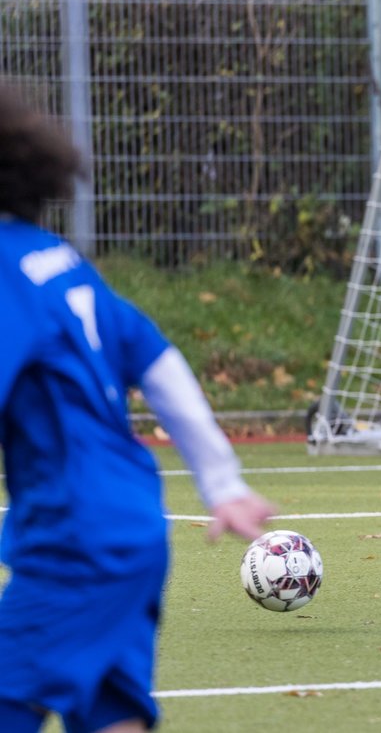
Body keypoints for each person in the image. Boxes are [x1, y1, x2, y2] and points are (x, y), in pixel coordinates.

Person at [0, 85, 275, 732]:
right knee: (111, 713)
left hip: (76, 541)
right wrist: (221, 481)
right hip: (133, 525)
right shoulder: (58, 260)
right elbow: (159, 361)